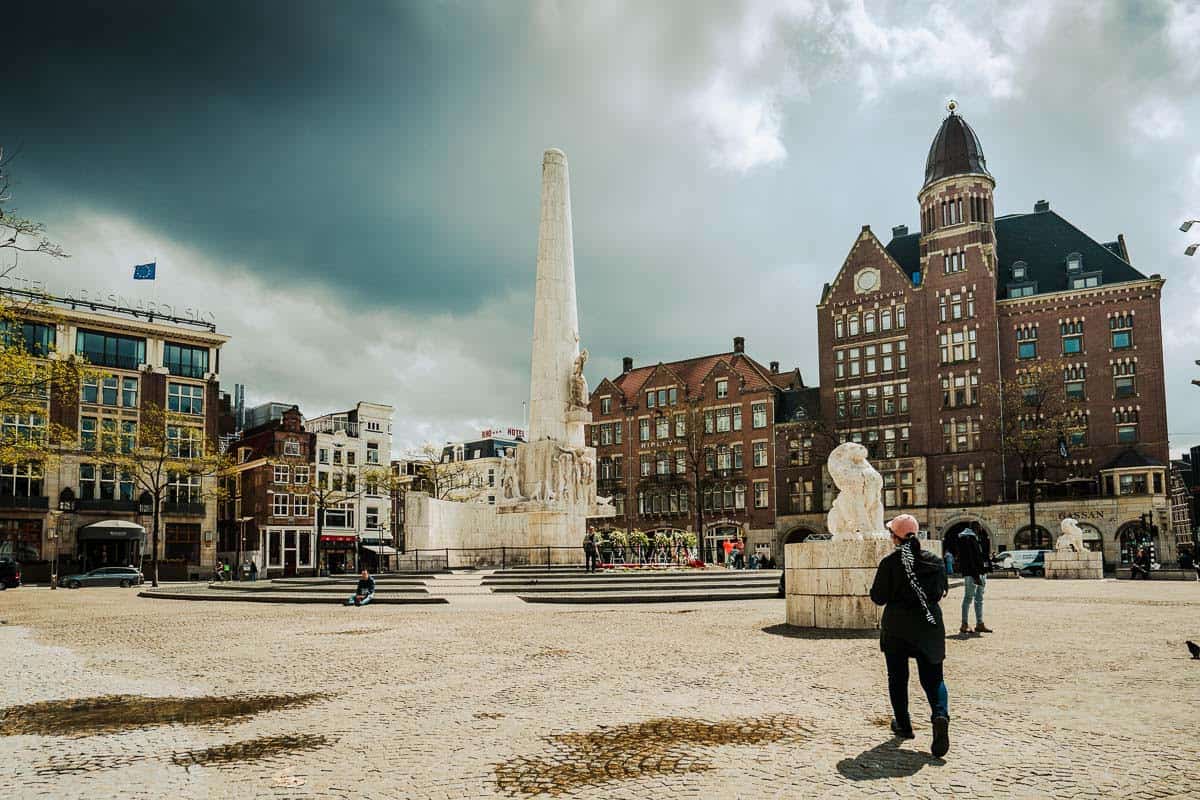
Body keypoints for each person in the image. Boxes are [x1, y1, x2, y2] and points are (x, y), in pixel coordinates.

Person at [870, 513, 951, 759]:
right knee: (934, 677)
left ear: (895, 537)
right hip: (929, 625)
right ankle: (940, 715)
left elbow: (878, 597)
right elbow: (940, 592)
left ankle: (904, 726)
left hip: (897, 627)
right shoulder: (935, 561)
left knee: (897, 677)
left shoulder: (889, 563)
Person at [955, 528, 991, 635]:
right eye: (977, 526)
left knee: (979, 599)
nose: (980, 528)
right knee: (968, 598)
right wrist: (976, 576)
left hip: (981, 572)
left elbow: (981, 556)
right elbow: (969, 559)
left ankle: (979, 624)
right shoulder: (966, 540)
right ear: (973, 528)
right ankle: (964, 624)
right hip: (972, 574)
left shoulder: (977, 539)